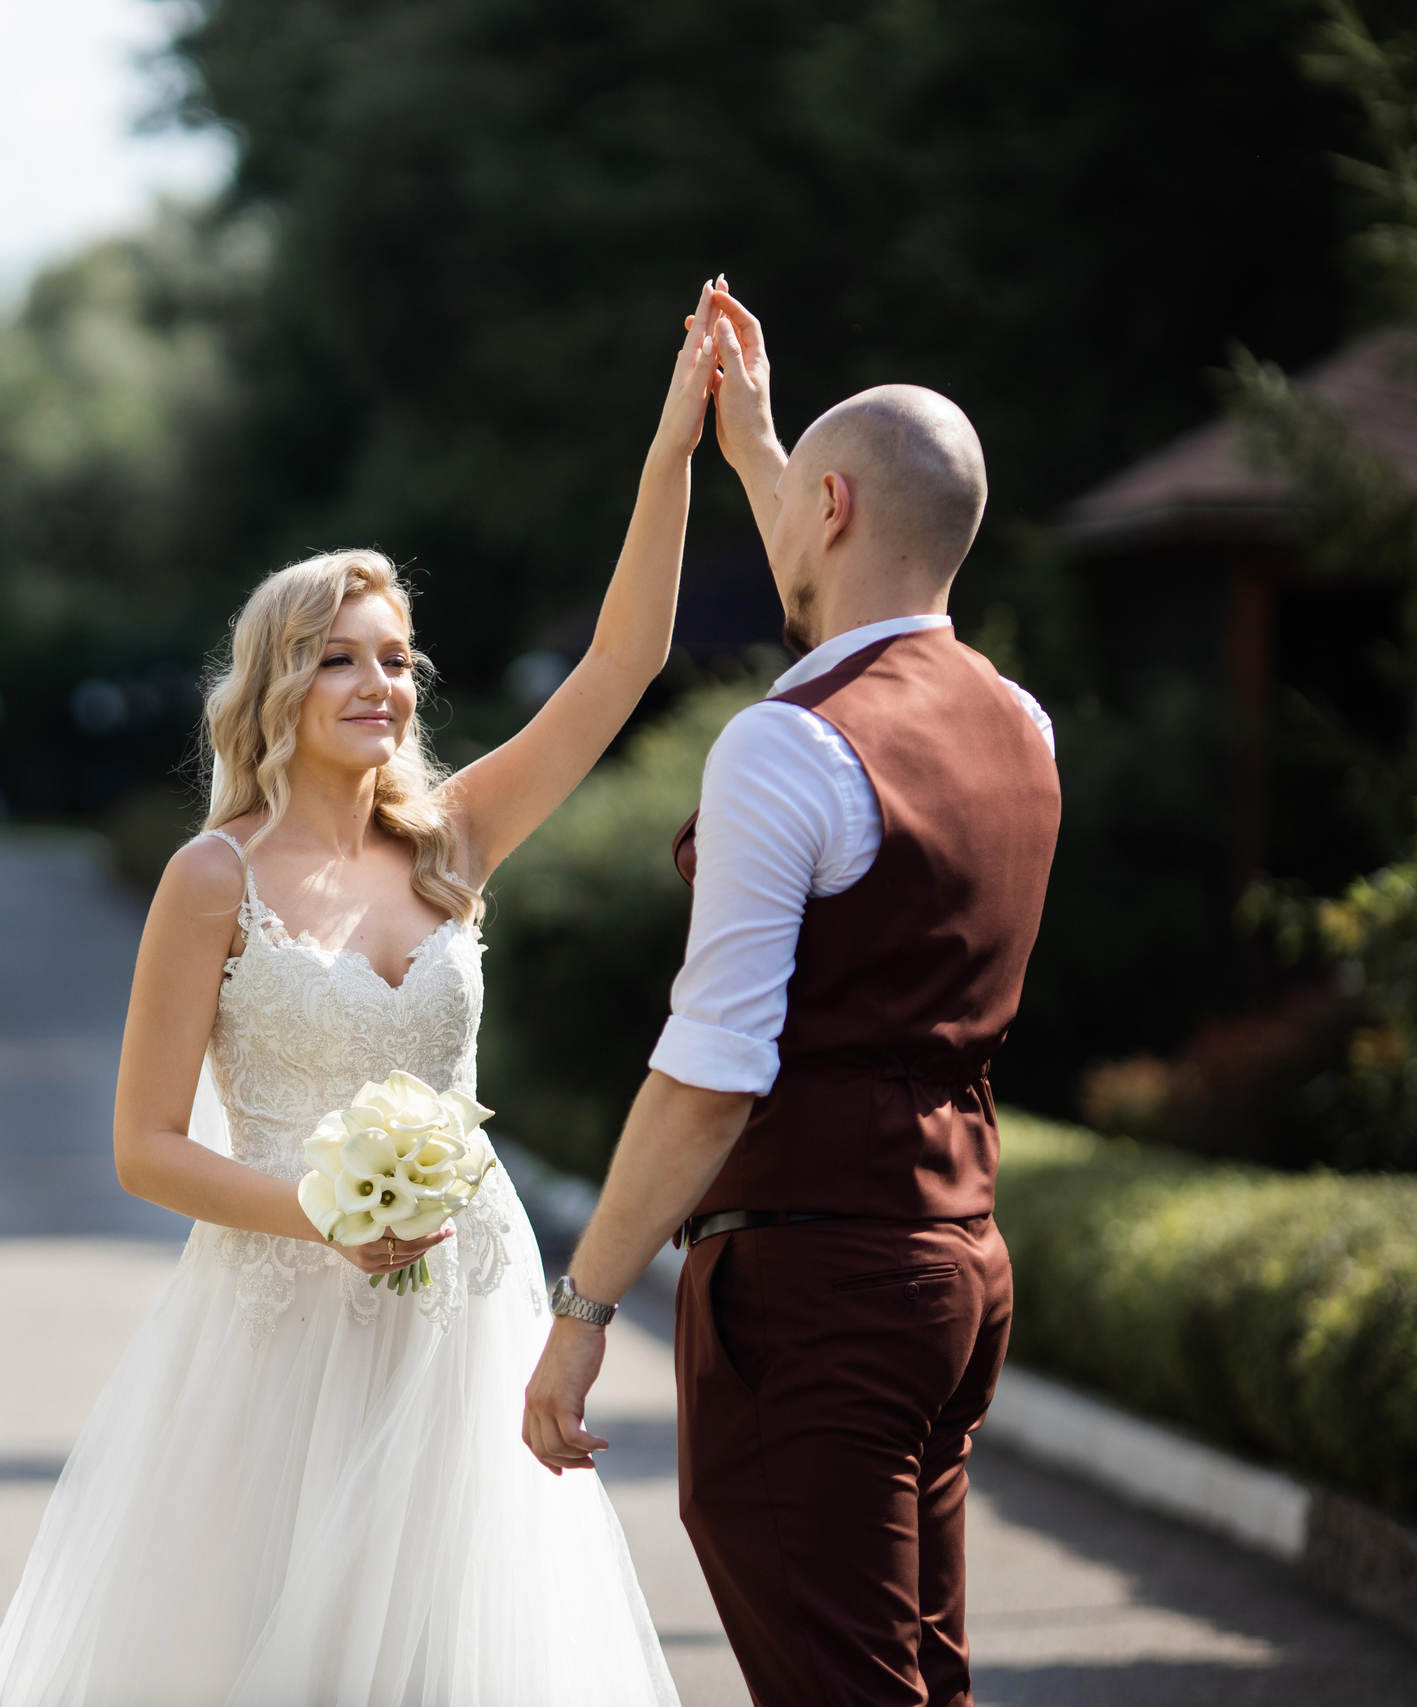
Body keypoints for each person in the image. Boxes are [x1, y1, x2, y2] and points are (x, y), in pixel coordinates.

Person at [0, 283, 738, 1707]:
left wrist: (678, 448)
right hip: (278, 1334)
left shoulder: (455, 838)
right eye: (339, 656)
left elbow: (622, 663)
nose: (379, 681)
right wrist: (326, 1215)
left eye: (395, 656)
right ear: (276, 683)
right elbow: (146, 1148)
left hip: (466, 1312)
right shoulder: (213, 880)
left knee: (460, 1656)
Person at [520, 288, 1062, 1707]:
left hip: (816, 1285)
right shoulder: (1022, 722)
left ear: (826, 509)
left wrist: (583, 1310)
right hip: (957, 1267)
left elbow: (711, 1072)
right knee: (916, 1683)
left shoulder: (787, 750)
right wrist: (758, 441)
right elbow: (843, 563)